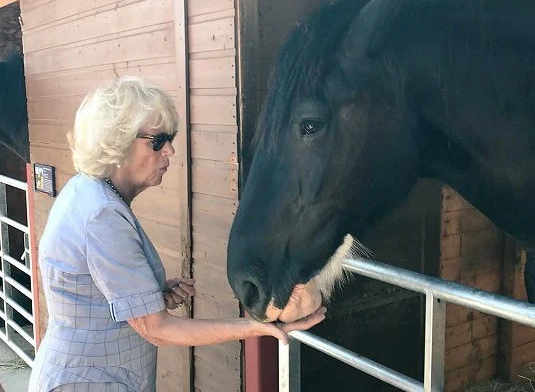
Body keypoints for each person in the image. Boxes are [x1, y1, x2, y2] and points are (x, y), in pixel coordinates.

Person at [28, 77, 325, 392]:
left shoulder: (89, 191)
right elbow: (156, 330)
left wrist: (152, 293)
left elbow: (96, 291)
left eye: (170, 138)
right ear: (115, 142)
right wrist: (257, 326)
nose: (169, 150)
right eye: (157, 141)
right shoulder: (101, 214)